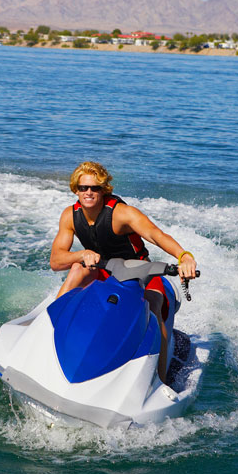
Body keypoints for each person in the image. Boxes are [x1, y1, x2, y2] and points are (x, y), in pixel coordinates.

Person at [50, 161, 197, 383]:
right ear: (76, 190)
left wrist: (184, 256)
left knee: (154, 305)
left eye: (95, 188)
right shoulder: (70, 216)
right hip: (102, 271)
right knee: (76, 270)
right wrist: (82, 254)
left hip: (138, 272)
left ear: (104, 190)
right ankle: (51, 334)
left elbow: (156, 235)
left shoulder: (122, 214)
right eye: (83, 188)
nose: (89, 193)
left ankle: (160, 379)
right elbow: (56, 260)